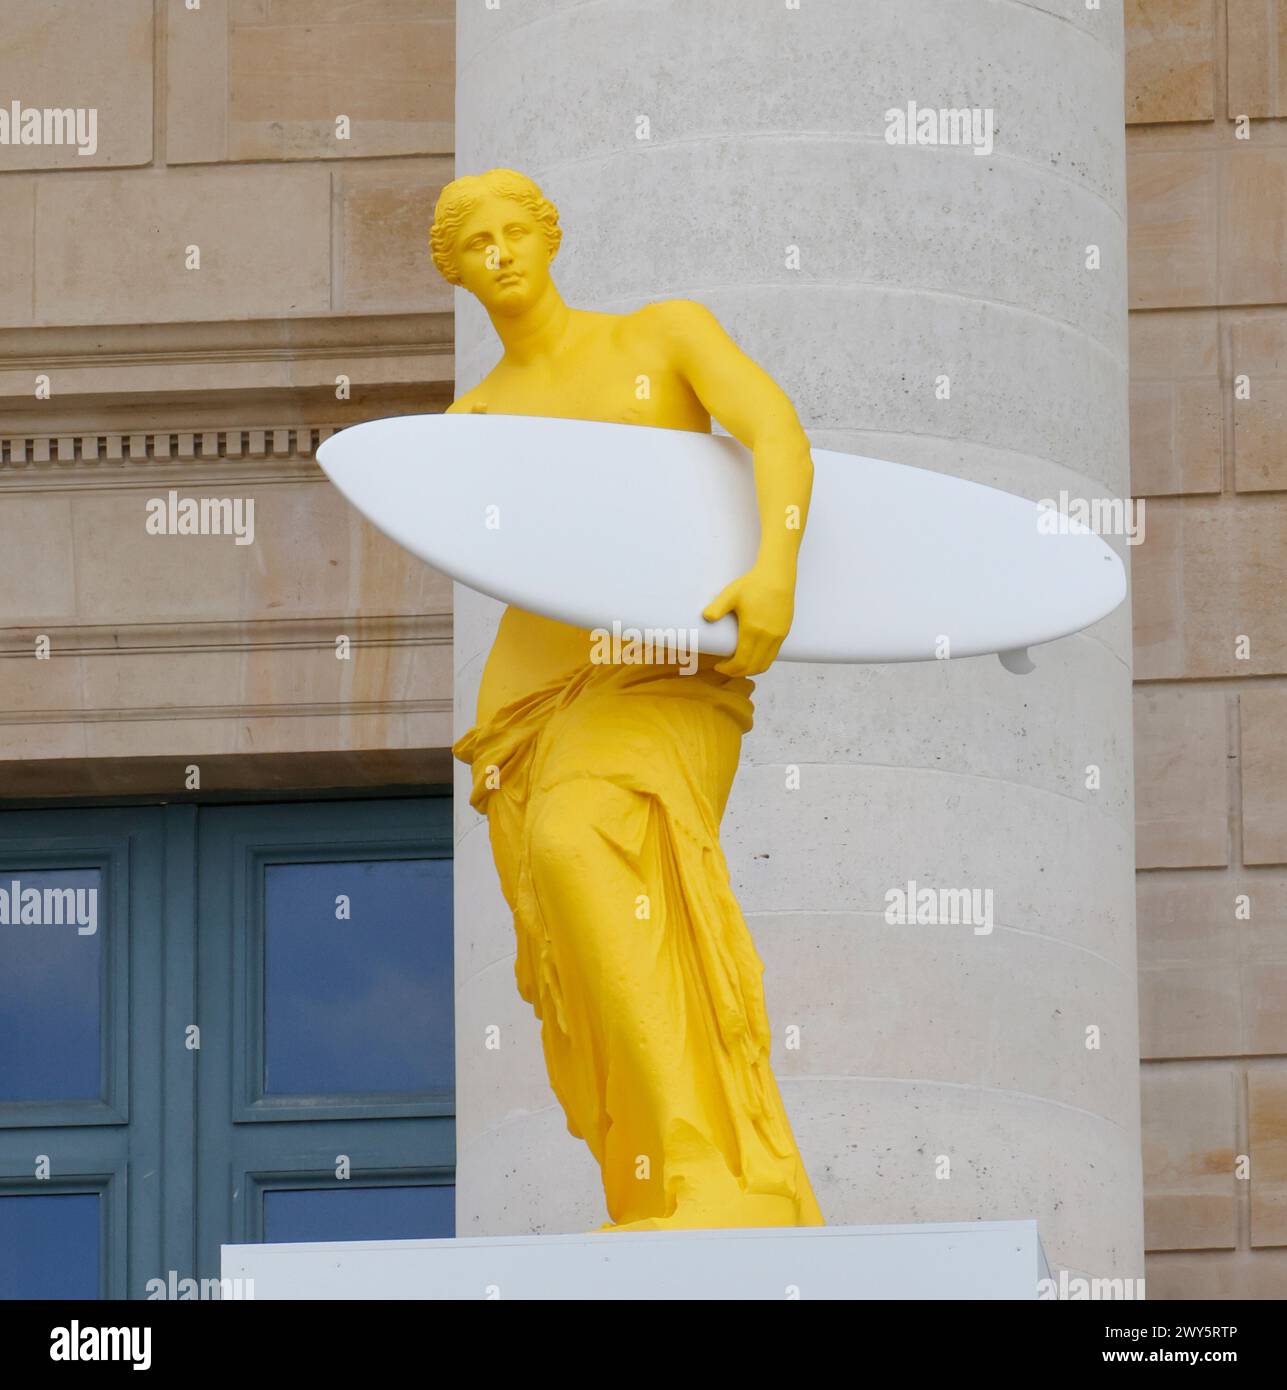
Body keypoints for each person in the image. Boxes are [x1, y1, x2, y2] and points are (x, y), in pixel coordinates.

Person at [432, 168, 823, 1229]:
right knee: (572, 921)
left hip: (669, 665)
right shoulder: (470, 422)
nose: (500, 253)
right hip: (531, 697)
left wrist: (774, 571)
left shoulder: (662, 336)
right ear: (457, 273)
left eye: (515, 231)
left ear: (551, 237)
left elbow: (776, 432)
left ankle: (712, 1166)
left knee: (582, 836)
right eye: (476, 245)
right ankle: (656, 1176)